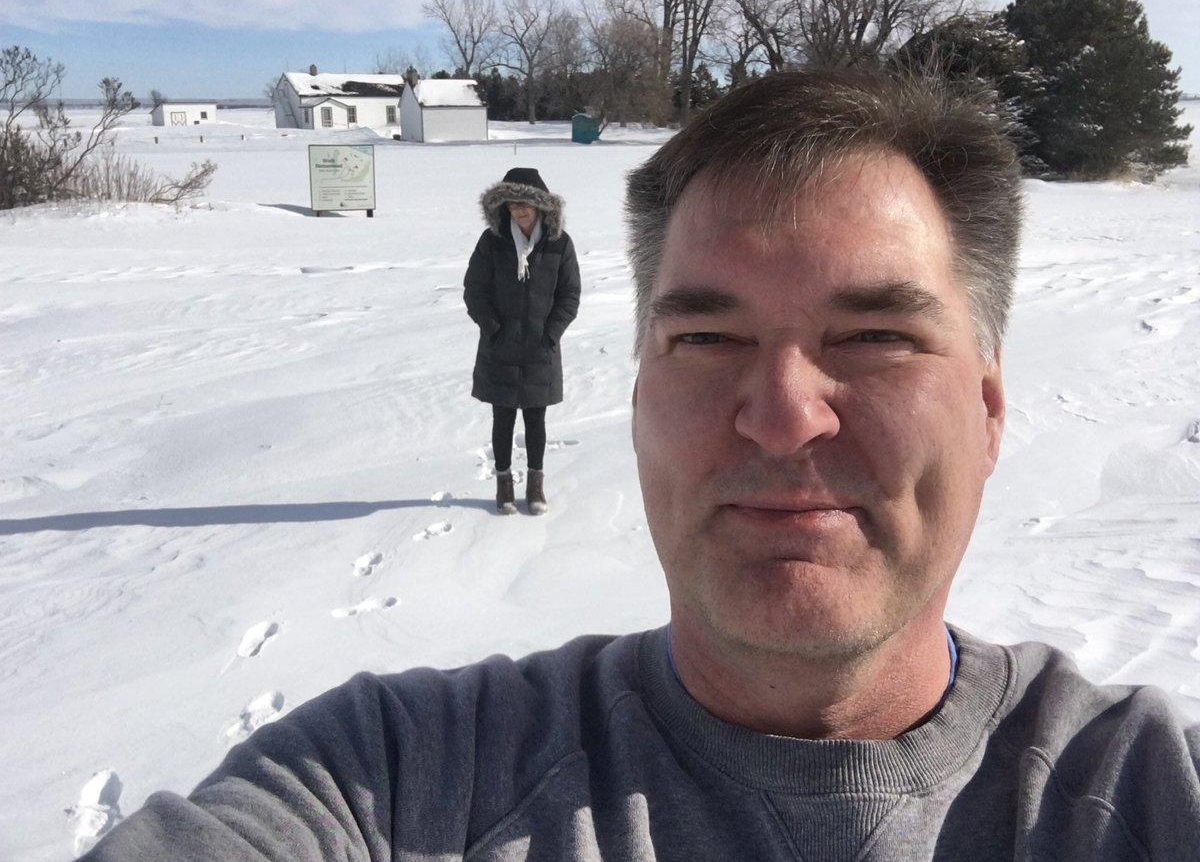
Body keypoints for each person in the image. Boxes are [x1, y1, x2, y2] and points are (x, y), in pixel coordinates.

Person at [81, 70, 1199, 861]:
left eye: (875, 337)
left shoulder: (1143, 793)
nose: (780, 418)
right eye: (705, 340)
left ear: (991, 409)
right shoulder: (399, 779)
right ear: (640, 402)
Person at [464, 167, 581, 515]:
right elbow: (475, 290)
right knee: (502, 419)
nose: (519, 209)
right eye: (512, 203)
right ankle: (503, 485)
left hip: (539, 349)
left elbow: (569, 295)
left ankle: (535, 486)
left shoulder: (560, 243)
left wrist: (550, 334)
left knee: (535, 421)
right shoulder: (493, 241)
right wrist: (493, 328)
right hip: (499, 347)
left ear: (541, 205)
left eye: (526, 202)